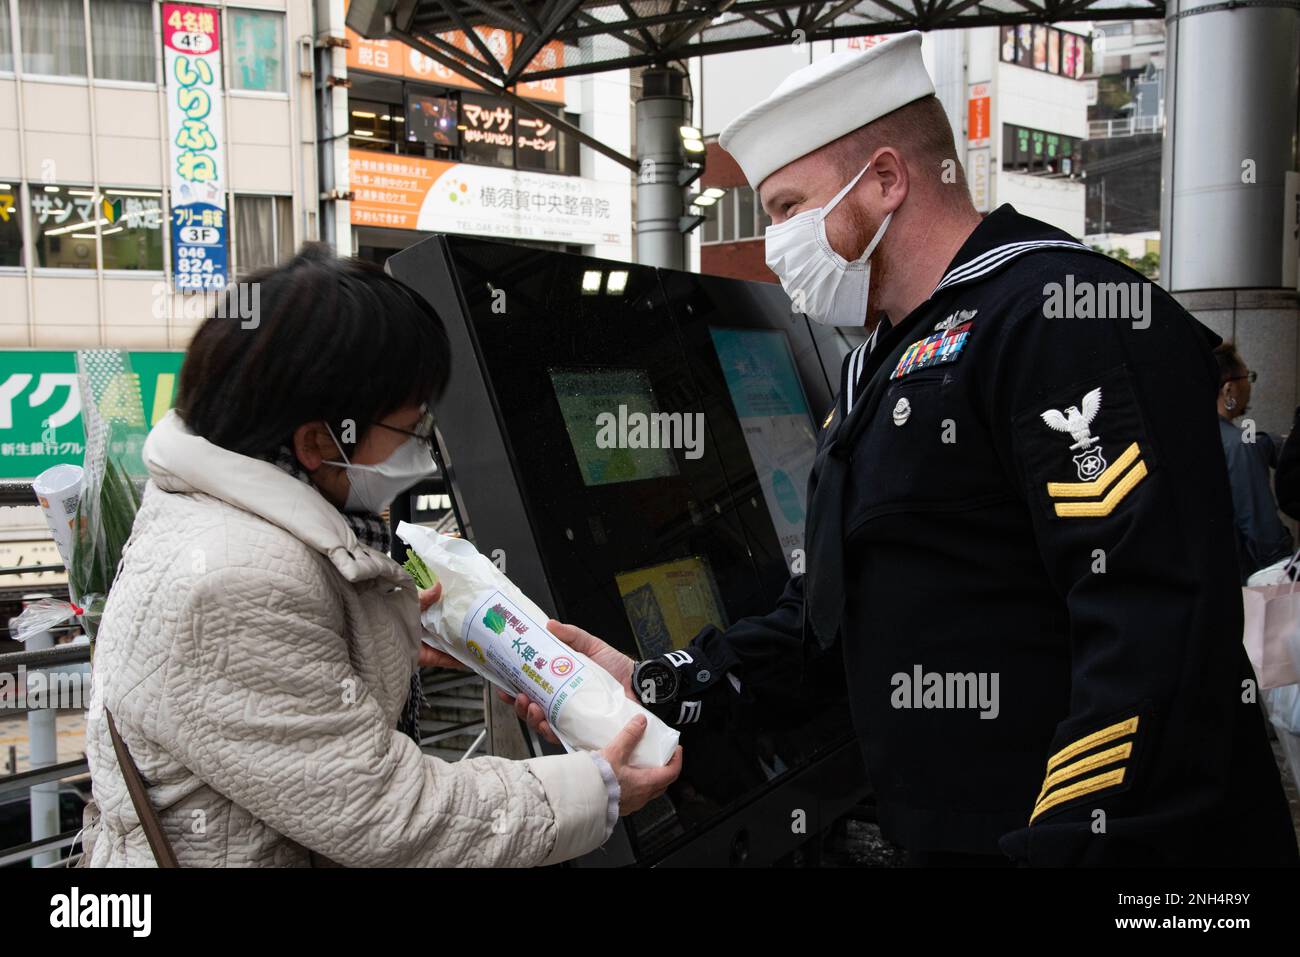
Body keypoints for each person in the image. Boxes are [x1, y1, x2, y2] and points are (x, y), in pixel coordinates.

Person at [508, 33, 1298, 865]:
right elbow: (836, 613)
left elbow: (1152, 633)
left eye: (785, 207)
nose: (777, 241)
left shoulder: (1058, 318)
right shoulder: (878, 365)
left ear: (886, 180)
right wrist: (664, 680)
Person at [82, 244, 679, 867]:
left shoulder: (232, 513)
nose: (422, 452)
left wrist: (384, 636)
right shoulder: (235, 579)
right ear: (318, 440)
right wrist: (595, 790)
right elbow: (386, 812)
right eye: (410, 430)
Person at [1213, 342, 1293, 581]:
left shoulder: (1188, 436)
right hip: (1243, 585)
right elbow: (1264, 534)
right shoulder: (1238, 446)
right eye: (1247, 377)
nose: (1249, 384)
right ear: (1229, 390)